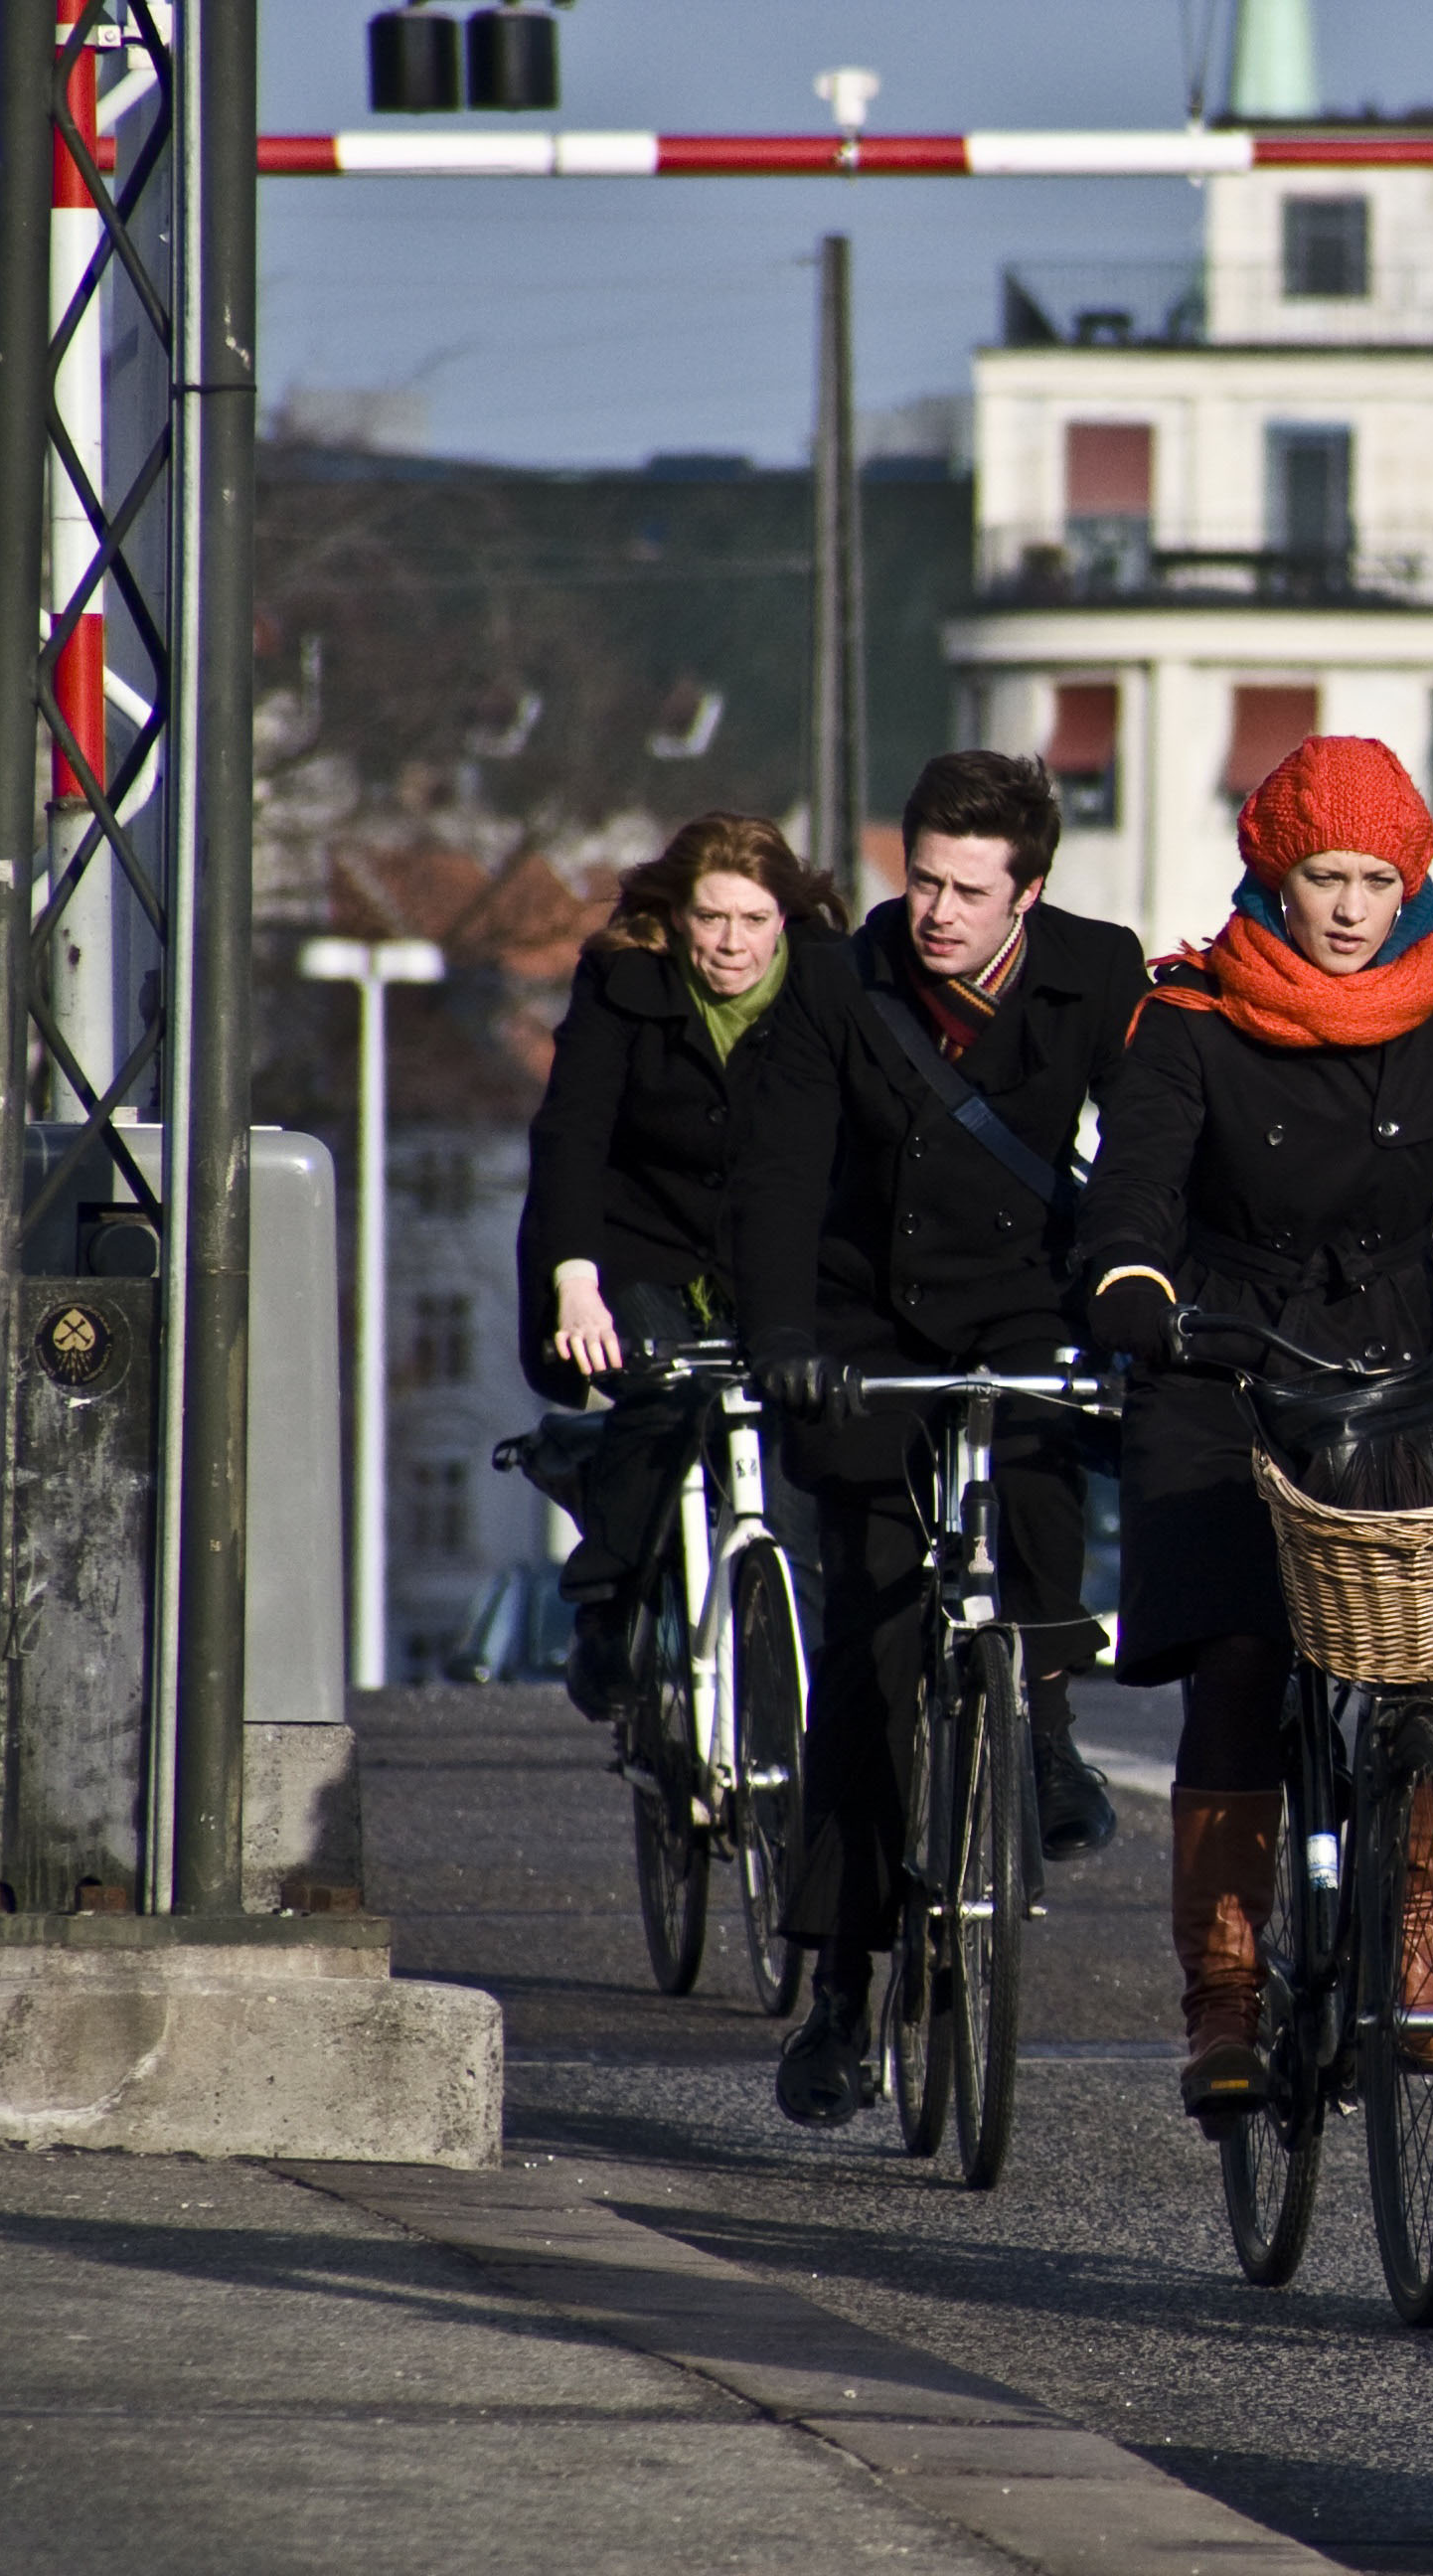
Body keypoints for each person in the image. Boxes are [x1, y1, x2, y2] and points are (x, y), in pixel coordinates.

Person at [1074, 734, 1433, 2119]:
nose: (1347, 907)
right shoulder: (1192, 1016)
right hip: (1219, 1360)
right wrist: (1132, 1283)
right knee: (1235, 1656)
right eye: (1323, 875)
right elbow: (1137, 1190)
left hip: (1388, 1369)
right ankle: (1223, 1990)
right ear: (1273, 875)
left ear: (1415, 885)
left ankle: (1410, 1925)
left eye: (1375, 879)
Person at [734, 750, 1150, 2127]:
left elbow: (1145, 1152)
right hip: (865, 1332)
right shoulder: (838, 984)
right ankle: (844, 1994)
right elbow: (783, 1172)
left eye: (971, 891)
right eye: (922, 880)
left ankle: (1041, 1728)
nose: (939, 912)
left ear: (1030, 891)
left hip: (1022, 1306)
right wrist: (782, 1339)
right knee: (867, 1644)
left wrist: (1144, 1292)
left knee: (1040, 1501)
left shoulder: (1098, 975)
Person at [516, 813, 846, 1717]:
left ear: (788, 918)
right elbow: (574, 1136)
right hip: (639, 1245)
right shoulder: (627, 980)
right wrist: (575, 1282)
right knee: (662, 1398)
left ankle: (799, 1687)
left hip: (771, 1257)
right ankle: (609, 1614)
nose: (730, 944)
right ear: (677, 916)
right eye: (711, 919)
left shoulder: (829, 987)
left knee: (796, 1446)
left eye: (752, 920)